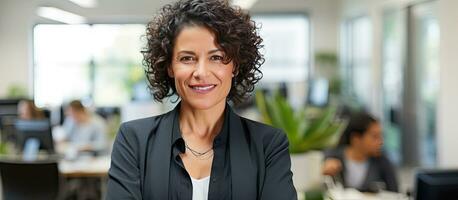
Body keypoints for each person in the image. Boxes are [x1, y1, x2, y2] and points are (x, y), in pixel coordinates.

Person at [106, 0, 297, 199]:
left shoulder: (268, 145)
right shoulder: (134, 140)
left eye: (216, 57)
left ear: (236, 66)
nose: (201, 72)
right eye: (187, 58)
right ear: (170, 66)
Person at [322, 111, 398, 192]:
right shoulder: (332, 158)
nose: (380, 141)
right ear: (356, 139)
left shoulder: (383, 163)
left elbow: (395, 193)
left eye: (381, 136)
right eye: (375, 137)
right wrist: (323, 172)